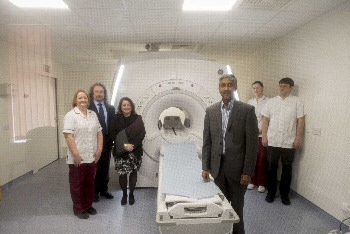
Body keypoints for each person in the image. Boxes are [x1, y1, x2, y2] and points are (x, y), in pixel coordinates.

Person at [202, 74, 258, 234]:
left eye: (229, 85)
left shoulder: (246, 110)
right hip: (217, 168)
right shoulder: (210, 111)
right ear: (219, 88)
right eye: (223, 85)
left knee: (236, 208)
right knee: (220, 207)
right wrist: (205, 166)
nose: (226, 88)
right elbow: (207, 142)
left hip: (238, 169)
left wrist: (248, 171)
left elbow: (252, 145)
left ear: (235, 87)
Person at [261, 77, 305, 206]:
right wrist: (264, 136)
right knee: (271, 168)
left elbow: (300, 121)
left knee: (287, 168)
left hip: (289, 141)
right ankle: (271, 193)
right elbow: (265, 120)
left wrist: (298, 138)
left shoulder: (297, 102)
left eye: (285, 86)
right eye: (280, 85)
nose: (281, 88)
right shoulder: (271, 102)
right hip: (273, 139)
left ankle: (285, 195)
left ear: (291, 88)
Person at [63, 90, 103, 219]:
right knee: (77, 184)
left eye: (85, 98)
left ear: (88, 100)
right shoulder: (71, 115)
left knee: (89, 182)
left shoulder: (93, 114)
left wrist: (99, 150)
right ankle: (78, 208)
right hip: (77, 157)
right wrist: (76, 154)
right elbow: (68, 136)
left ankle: (88, 205)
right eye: (80, 98)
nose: (83, 100)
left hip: (91, 156)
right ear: (75, 100)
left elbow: (99, 133)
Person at [113, 97, 146, 206]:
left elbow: (142, 133)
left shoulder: (138, 118)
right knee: (122, 174)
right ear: (120, 107)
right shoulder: (116, 118)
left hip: (134, 151)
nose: (126, 107)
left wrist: (133, 146)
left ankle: (131, 194)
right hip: (121, 151)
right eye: (124, 105)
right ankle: (124, 194)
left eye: (128, 105)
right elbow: (112, 134)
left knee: (133, 173)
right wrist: (124, 145)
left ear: (131, 106)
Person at [88, 83, 116, 202]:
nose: (99, 94)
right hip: (94, 142)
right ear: (93, 93)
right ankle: (94, 191)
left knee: (105, 167)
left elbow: (112, 125)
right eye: (97, 92)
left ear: (104, 94)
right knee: (95, 167)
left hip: (108, 143)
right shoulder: (88, 108)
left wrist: (112, 140)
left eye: (101, 92)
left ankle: (104, 189)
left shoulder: (110, 108)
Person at [247, 81, 270, 193]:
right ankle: (252, 181)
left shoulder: (268, 101)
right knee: (252, 159)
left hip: (262, 134)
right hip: (251, 135)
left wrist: (262, 130)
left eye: (257, 88)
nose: (255, 90)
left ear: (262, 88)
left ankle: (261, 183)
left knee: (262, 159)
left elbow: (269, 118)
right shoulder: (249, 102)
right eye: (254, 88)